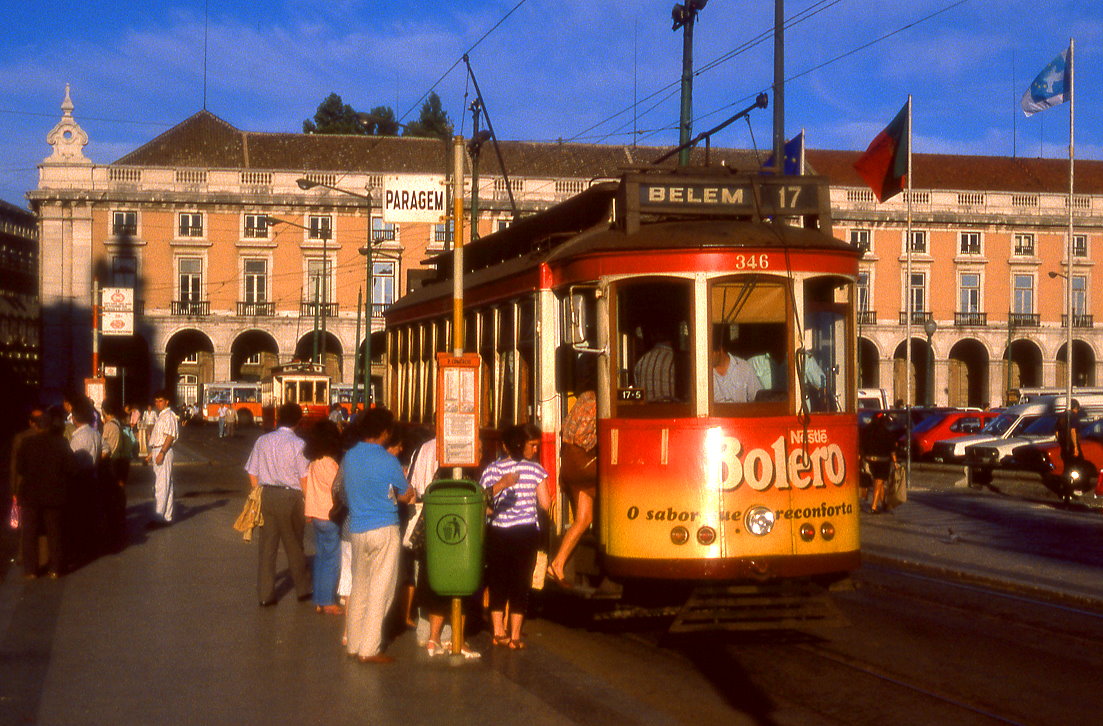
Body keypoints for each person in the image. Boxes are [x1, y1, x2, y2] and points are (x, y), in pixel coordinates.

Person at [340, 407, 413, 664]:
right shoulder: (388, 460)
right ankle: (369, 649)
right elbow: (405, 493)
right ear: (384, 432)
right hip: (384, 528)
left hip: (357, 528)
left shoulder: (349, 456)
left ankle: (355, 643)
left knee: (359, 587)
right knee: (381, 589)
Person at [481, 423, 553, 650]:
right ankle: (515, 637)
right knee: (521, 584)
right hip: (526, 533)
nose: (535, 450)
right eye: (533, 446)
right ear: (522, 446)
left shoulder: (492, 469)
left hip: (499, 532)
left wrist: (499, 492)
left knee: (498, 581)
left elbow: (483, 504)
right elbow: (545, 503)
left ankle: (498, 633)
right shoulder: (536, 470)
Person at [246, 402, 312, 606]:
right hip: (291, 497)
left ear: (278, 418)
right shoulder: (299, 444)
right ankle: (302, 589)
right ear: (298, 422)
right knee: (294, 545)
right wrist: (308, 503)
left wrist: (257, 493)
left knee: (267, 547)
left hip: (267, 495)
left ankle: (266, 595)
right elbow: (304, 478)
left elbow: (252, 471)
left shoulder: (262, 441)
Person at [16, 408, 75, 578]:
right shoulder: (61, 443)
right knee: (54, 532)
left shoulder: (27, 443)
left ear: (36, 426)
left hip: (30, 495)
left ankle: (31, 570)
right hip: (54, 494)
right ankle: (55, 568)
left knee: (30, 533)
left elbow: (20, 469)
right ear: (50, 426)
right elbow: (71, 468)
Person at [547, 389, 596, 587]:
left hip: (570, 464)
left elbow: (567, 429)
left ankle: (557, 564)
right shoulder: (596, 402)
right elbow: (581, 436)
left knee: (584, 519)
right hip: (584, 464)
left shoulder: (583, 398)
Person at [302, 419, 344, 615]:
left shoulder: (314, 461)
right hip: (330, 516)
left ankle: (319, 598)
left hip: (316, 514)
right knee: (332, 560)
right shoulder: (329, 463)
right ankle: (328, 601)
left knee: (321, 558)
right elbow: (339, 488)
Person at [99, 401, 131, 552]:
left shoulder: (109, 425)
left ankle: (113, 534)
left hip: (110, 462)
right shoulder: (117, 423)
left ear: (105, 411)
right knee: (118, 496)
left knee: (110, 499)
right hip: (119, 463)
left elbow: (104, 447)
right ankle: (120, 526)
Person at [147, 390, 179, 527]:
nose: (158, 403)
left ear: (167, 401)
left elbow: (170, 436)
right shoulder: (161, 416)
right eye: (156, 401)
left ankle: (159, 517)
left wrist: (162, 452)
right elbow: (158, 437)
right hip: (158, 449)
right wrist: (151, 454)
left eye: (160, 401)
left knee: (161, 485)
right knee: (167, 485)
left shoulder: (169, 416)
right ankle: (167, 516)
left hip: (163, 450)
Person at [860, 412, 897, 513]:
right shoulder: (886, 432)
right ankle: (874, 506)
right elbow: (892, 449)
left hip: (869, 459)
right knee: (879, 481)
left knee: (878, 481)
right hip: (883, 460)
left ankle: (884, 503)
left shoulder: (866, 430)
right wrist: (895, 462)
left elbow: (861, 445)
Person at [634, 336, 675, 402]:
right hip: (672, 410)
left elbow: (637, 392)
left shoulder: (642, 361)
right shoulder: (674, 360)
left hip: (644, 410)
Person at [1056, 399, 1084, 463]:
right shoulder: (1073, 416)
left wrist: (1061, 442)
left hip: (1063, 445)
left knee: (1066, 463)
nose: (1077, 411)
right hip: (1071, 444)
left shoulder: (1061, 416)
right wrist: (1075, 447)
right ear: (1075, 408)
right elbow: (1073, 431)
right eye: (1077, 409)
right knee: (1077, 463)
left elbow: (1057, 432)